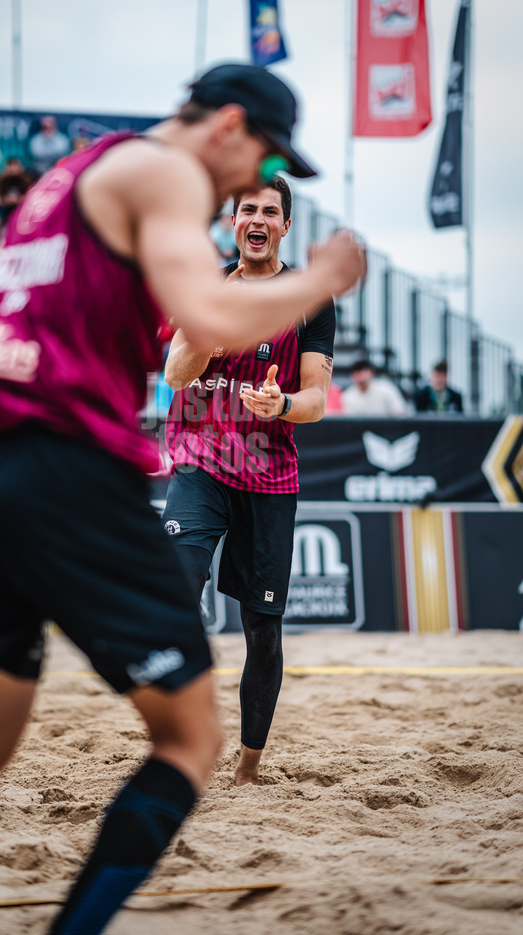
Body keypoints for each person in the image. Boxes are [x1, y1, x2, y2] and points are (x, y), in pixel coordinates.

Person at [0, 61, 365, 935]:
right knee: (188, 741)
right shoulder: (164, 170)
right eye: (256, 164)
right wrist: (322, 275)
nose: (242, 192)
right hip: (73, 475)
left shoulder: (51, 188)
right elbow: (208, 321)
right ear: (229, 125)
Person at [163, 176, 337, 786]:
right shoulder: (206, 285)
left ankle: (247, 768)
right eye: (247, 210)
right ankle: (184, 740)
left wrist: (282, 404)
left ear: (285, 226)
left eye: (269, 211)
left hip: (269, 472)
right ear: (233, 223)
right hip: (200, 459)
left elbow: (316, 400)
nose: (257, 219)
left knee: (262, 631)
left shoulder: (308, 299)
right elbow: (177, 374)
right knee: (177, 592)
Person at [341, 358, 407, 417]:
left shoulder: (386, 388)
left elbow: (400, 413)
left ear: (371, 373)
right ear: (352, 376)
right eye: (358, 373)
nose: (362, 377)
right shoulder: (347, 396)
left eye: (365, 372)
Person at [0, 156, 32, 236]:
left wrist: (18, 200)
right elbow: (0, 198)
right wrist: (10, 200)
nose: (14, 170)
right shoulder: (2, 180)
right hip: (6, 209)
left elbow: (29, 197)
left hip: (21, 208)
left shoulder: (25, 180)